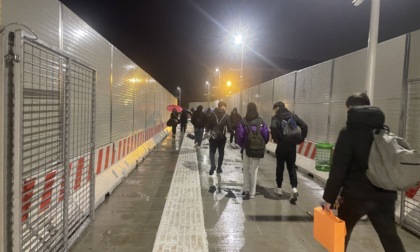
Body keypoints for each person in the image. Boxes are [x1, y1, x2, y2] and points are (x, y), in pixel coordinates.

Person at [322, 92, 405, 251]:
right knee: (390, 239)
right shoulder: (384, 130)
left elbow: (338, 169)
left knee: (340, 237)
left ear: (351, 108)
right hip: (384, 196)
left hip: (355, 197)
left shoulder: (348, 132)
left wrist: (329, 198)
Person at [270, 101, 307, 204]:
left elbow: (273, 128)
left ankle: (279, 188)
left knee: (280, 167)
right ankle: (294, 188)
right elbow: (304, 126)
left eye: (274, 109)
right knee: (291, 167)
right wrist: (301, 138)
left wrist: (276, 139)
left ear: (277, 108)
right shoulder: (293, 116)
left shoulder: (276, 117)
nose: (274, 111)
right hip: (292, 147)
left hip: (281, 146)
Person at [236, 103, 269, 199]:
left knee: (246, 168)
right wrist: (260, 145)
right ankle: (253, 193)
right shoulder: (261, 122)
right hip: (257, 150)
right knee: (254, 170)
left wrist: (243, 146)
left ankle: (246, 188)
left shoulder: (243, 122)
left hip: (246, 148)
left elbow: (239, 136)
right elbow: (266, 136)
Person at [206, 101, 232, 175]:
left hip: (213, 136)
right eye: (225, 106)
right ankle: (219, 168)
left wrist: (208, 131)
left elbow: (208, 125)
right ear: (223, 106)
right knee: (221, 152)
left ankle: (213, 165)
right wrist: (233, 132)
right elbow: (229, 128)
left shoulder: (212, 114)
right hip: (222, 138)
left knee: (212, 151)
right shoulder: (226, 116)